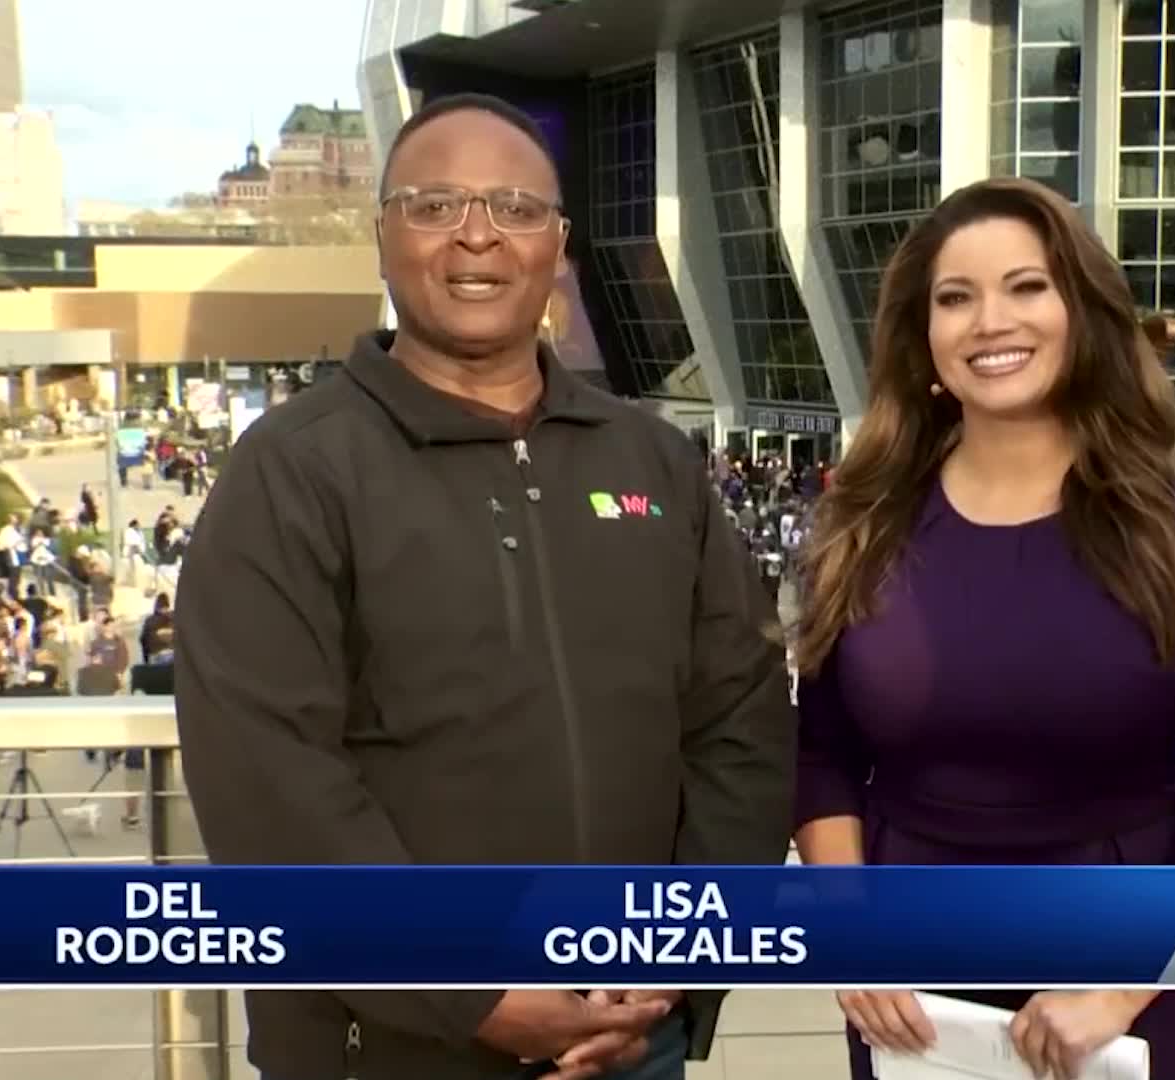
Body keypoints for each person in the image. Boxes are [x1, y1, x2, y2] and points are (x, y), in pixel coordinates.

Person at [173, 92, 795, 1080]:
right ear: (383, 237)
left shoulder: (652, 462)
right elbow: (267, 780)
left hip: (633, 1033)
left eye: (513, 207)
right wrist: (473, 995)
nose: (476, 236)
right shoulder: (292, 471)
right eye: (435, 206)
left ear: (558, 245)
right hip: (380, 1050)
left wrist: (680, 952)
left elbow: (741, 719)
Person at [791, 177, 1175, 1080]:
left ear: (1081, 311)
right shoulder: (859, 528)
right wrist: (847, 932)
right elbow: (819, 755)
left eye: (1027, 286)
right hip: (912, 987)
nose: (990, 322)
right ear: (923, 336)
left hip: (1126, 983)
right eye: (956, 298)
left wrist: (1122, 986)